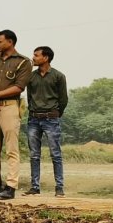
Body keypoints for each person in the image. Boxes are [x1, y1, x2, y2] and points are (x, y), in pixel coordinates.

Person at [0, 30, 33, 200]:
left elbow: (18, 87)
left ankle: (10, 186)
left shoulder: (23, 62)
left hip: (9, 107)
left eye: (0, 41)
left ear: (10, 42)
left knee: (11, 148)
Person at [24, 46, 69, 197]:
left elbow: (63, 99)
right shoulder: (31, 77)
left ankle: (59, 187)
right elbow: (29, 97)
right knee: (34, 154)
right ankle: (35, 187)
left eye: (36, 55)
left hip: (51, 119)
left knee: (55, 154)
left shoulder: (58, 76)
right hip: (34, 119)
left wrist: (56, 114)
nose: (33, 58)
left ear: (46, 58)